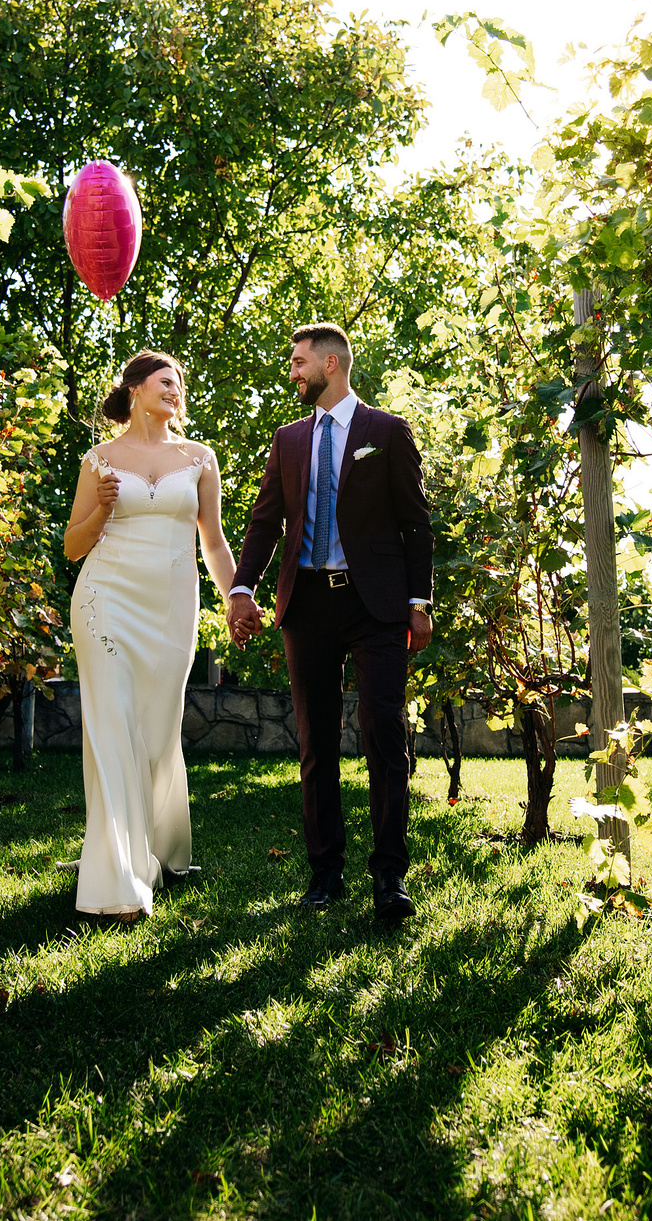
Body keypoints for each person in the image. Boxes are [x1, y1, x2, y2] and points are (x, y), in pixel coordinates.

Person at [226, 324, 435, 922]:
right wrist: (244, 588)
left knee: (382, 734)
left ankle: (390, 875)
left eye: (299, 362)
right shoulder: (288, 440)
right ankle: (325, 872)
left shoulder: (385, 431)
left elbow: (415, 524)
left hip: (375, 606)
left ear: (332, 363)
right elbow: (266, 522)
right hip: (308, 604)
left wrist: (419, 602)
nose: (292, 372)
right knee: (316, 743)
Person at [61, 351, 238, 921]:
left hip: (170, 611)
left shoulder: (200, 458)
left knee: (157, 733)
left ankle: (157, 850)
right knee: (113, 730)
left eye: (179, 384)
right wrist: (101, 512)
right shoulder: (101, 459)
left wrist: (238, 597)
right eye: (166, 381)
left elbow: (211, 542)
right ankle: (118, 880)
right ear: (135, 389)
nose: (176, 390)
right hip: (104, 602)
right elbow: (73, 544)